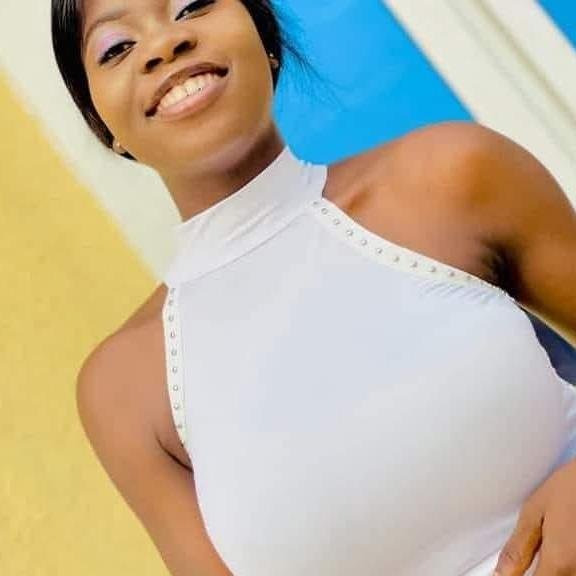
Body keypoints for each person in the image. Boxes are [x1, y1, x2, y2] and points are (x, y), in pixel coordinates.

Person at [51, 1, 576, 575]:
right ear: (103, 124)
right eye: (117, 48)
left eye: (193, 5)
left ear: (264, 37)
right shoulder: (123, 390)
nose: (163, 45)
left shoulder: (451, 176)